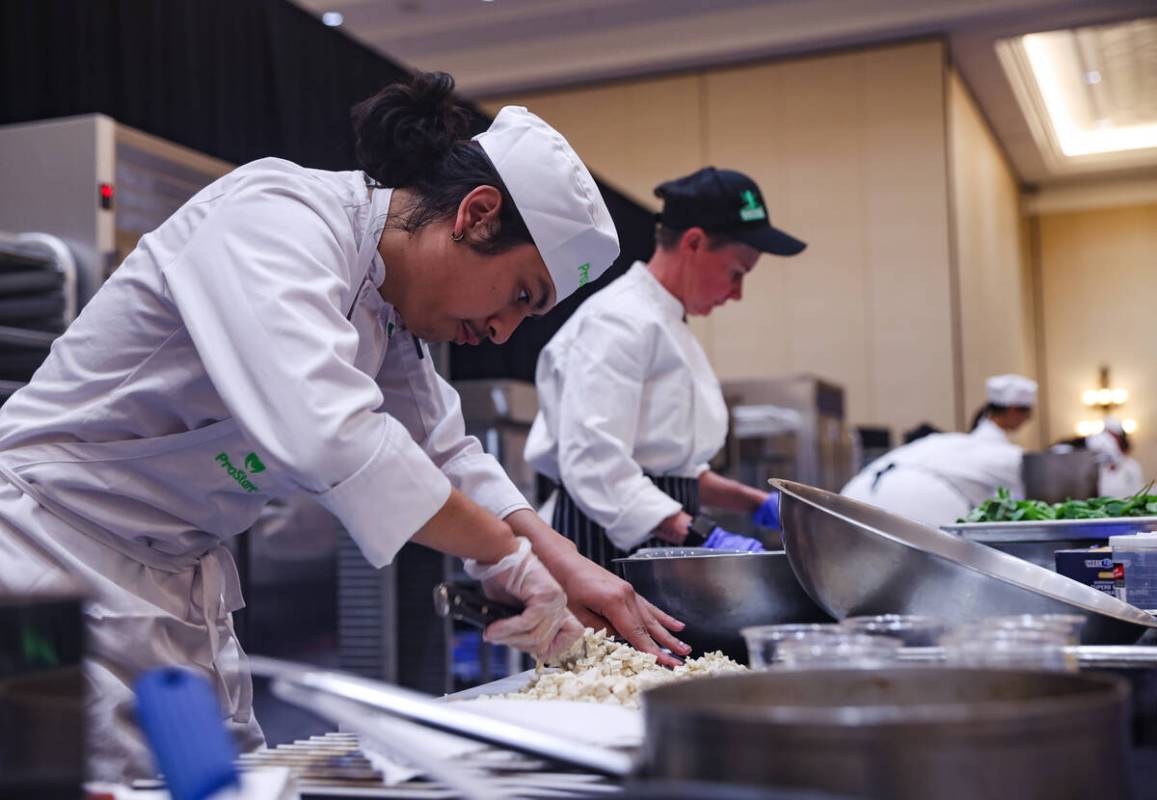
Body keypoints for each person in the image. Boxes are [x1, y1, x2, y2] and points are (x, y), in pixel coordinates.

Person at [0, 72, 686, 780]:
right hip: (49, 557)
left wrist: (560, 563)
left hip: (172, 580)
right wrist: (504, 559)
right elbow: (332, 433)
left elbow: (444, 451)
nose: (501, 328)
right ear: (476, 214)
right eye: (518, 294)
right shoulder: (277, 214)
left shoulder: (382, 306)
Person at [525, 167, 805, 572]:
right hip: (602, 549)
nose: (737, 294)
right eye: (736, 273)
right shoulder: (619, 320)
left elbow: (673, 470)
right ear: (694, 242)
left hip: (652, 548)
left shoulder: (668, 325)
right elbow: (595, 462)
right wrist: (702, 536)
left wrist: (758, 504)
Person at [841, 374, 1038, 527]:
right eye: (1028, 412)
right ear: (1013, 410)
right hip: (912, 511)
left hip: (852, 500)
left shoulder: (945, 444)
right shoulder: (1003, 456)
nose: (1029, 419)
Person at [1054, 417, 1147, 497]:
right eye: (1107, 435)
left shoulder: (1132, 465)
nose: (1109, 439)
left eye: (1113, 436)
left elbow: (1137, 490)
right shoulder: (1093, 456)